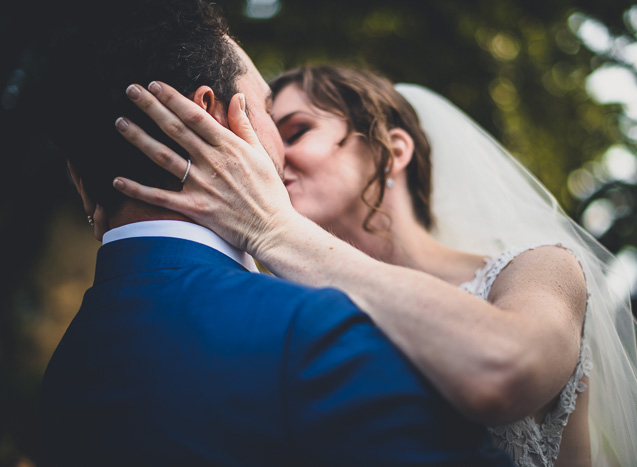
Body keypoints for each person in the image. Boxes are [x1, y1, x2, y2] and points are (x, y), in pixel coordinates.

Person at [113, 65, 637, 466]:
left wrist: (273, 229)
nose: (273, 155)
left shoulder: (538, 269)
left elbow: (507, 367)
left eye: (297, 130)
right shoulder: (275, 304)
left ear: (393, 150)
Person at [38, 3, 515, 466]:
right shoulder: (310, 328)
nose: (283, 152)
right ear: (206, 116)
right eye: (268, 110)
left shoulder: (65, 367)